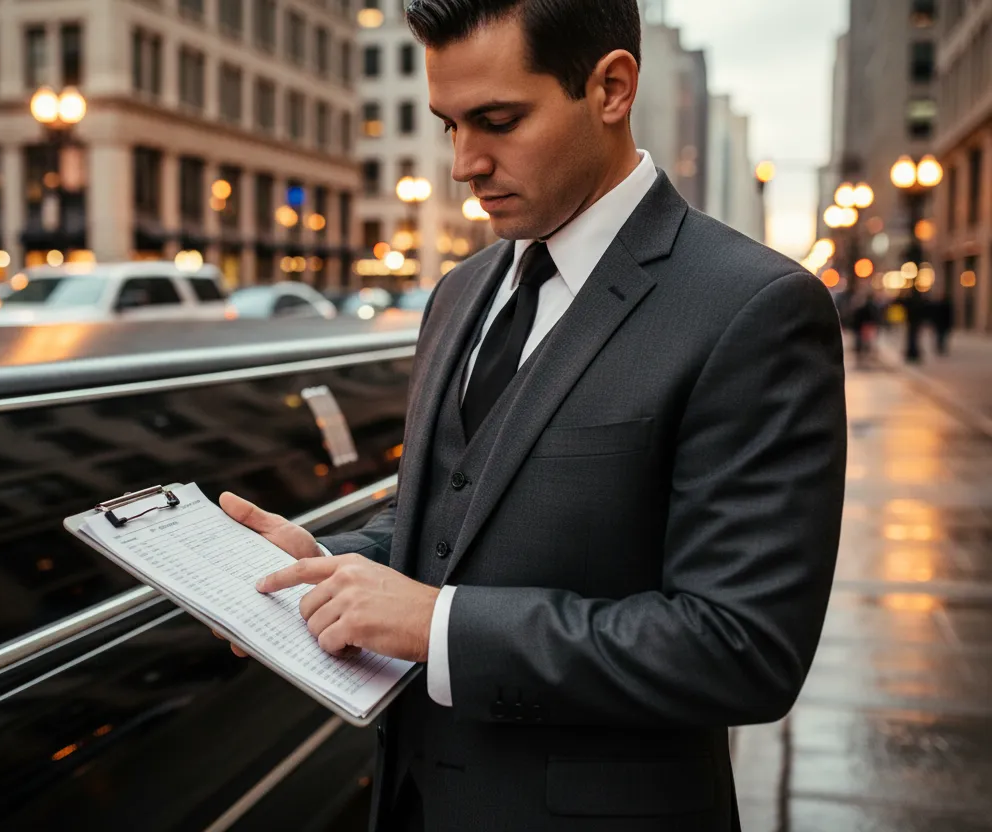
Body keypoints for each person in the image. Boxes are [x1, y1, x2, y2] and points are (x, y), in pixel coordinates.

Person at [218, 0, 848, 828]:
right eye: (448, 125)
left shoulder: (754, 308)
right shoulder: (459, 292)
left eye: (498, 120)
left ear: (612, 88)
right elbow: (453, 513)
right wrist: (327, 566)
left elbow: (741, 648)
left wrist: (440, 627)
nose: (463, 164)